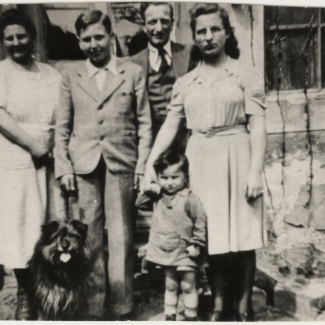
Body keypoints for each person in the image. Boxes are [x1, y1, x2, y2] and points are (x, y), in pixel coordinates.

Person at [142, 3, 267, 321]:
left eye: (214, 29)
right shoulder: (186, 82)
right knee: (210, 234)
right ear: (194, 37)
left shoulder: (243, 73)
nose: (208, 36)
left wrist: (255, 170)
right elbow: (171, 125)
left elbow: (258, 125)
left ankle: (243, 306)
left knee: (242, 234)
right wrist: (149, 166)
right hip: (200, 159)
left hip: (237, 154)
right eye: (201, 31)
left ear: (226, 32)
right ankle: (219, 304)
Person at [54, 10, 152, 320]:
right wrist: (64, 167)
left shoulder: (132, 72)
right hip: (84, 165)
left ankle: (122, 305)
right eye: (87, 39)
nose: (94, 44)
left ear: (110, 37)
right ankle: (94, 306)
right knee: (90, 237)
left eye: (99, 37)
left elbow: (145, 123)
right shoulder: (71, 77)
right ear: (80, 43)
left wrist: (141, 166)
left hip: (121, 162)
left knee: (122, 236)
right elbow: (62, 127)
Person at [0, 9, 61, 320]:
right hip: (16, 158)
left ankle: (49, 294)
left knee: (49, 227)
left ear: (33, 37)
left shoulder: (51, 74)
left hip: (50, 160)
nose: (15, 42)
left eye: (21, 35)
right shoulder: (1, 73)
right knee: (20, 228)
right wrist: (32, 144)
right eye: (9, 37)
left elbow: (63, 115)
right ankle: (27, 293)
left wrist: (52, 145)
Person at [137, 150, 207, 321]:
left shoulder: (190, 199)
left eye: (175, 177)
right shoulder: (158, 196)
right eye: (164, 177)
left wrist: (197, 244)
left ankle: (191, 317)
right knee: (171, 284)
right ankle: (170, 316)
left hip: (186, 251)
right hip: (166, 249)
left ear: (185, 176)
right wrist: (149, 190)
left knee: (188, 284)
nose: (169, 183)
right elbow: (139, 204)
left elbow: (200, 221)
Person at [130, 2, 192, 146]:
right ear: (143, 25)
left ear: (172, 23)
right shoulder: (132, 64)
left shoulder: (190, 54)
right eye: (152, 22)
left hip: (187, 143)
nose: (159, 28)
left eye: (164, 21)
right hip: (150, 144)